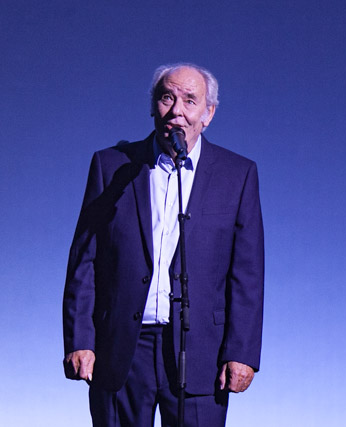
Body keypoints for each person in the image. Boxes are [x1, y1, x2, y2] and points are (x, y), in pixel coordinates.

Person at [62, 63, 264, 426]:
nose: (177, 111)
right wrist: (80, 338)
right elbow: (85, 260)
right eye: (167, 97)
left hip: (201, 349)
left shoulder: (238, 174)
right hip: (121, 345)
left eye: (190, 100)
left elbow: (247, 272)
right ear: (153, 105)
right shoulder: (111, 166)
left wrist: (242, 352)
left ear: (208, 113)